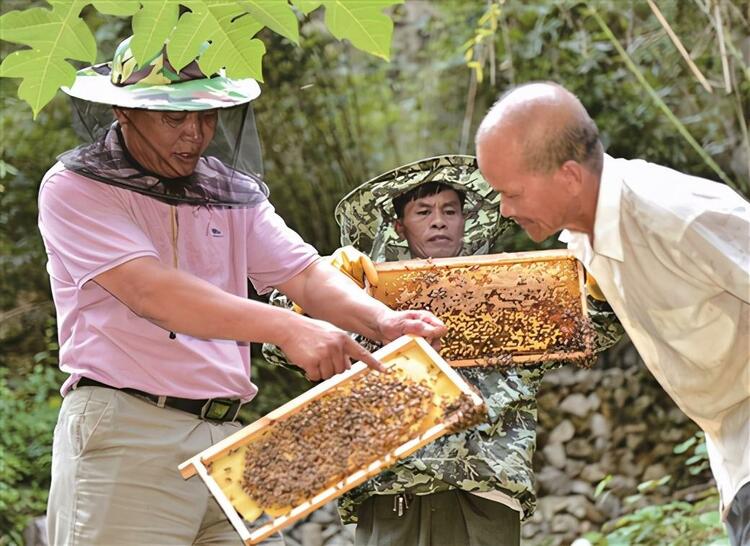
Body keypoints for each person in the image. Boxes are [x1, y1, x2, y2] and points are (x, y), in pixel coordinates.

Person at [39, 36, 446, 546]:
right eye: (174, 118)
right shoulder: (75, 189)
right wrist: (291, 327)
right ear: (125, 110)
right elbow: (153, 293)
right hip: (127, 436)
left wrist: (382, 321)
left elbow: (302, 273)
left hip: (228, 441)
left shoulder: (228, 190)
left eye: (208, 116)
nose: (195, 134)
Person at [264, 155, 621, 546]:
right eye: (424, 211)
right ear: (400, 224)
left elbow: (592, 334)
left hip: (485, 490)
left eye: (450, 210)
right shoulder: (364, 296)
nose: (439, 220)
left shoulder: (509, 294)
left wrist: (601, 287)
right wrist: (315, 290)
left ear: (465, 219)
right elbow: (281, 344)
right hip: (391, 490)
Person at [475, 81, 750, 546]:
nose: (504, 209)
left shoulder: (677, 216)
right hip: (732, 453)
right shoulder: (585, 237)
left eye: (512, 193)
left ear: (568, 177)